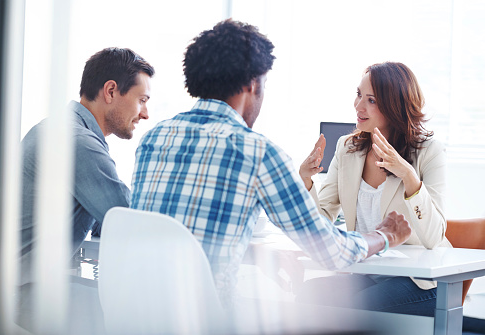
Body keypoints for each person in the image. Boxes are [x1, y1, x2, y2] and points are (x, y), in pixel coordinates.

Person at [130, 20, 411, 308]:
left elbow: (183, 238)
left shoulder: (154, 139)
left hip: (134, 314)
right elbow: (331, 252)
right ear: (252, 84)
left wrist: (258, 254)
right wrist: (384, 235)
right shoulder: (258, 151)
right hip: (204, 320)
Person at [296, 61, 450, 316]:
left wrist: (408, 176)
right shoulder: (347, 148)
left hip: (419, 281)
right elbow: (321, 220)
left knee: (357, 309)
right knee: (308, 294)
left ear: (395, 105)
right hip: (368, 273)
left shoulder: (429, 151)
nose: (358, 106)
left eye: (371, 100)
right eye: (358, 95)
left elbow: (434, 237)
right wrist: (306, 181)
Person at [20, 47, 155, 285]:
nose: (145, 114)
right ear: (111, 91)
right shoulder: (77, 142)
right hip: (20, 294)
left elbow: (105, 218)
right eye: (141, 100)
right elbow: (129, 219)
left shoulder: (60, 128)